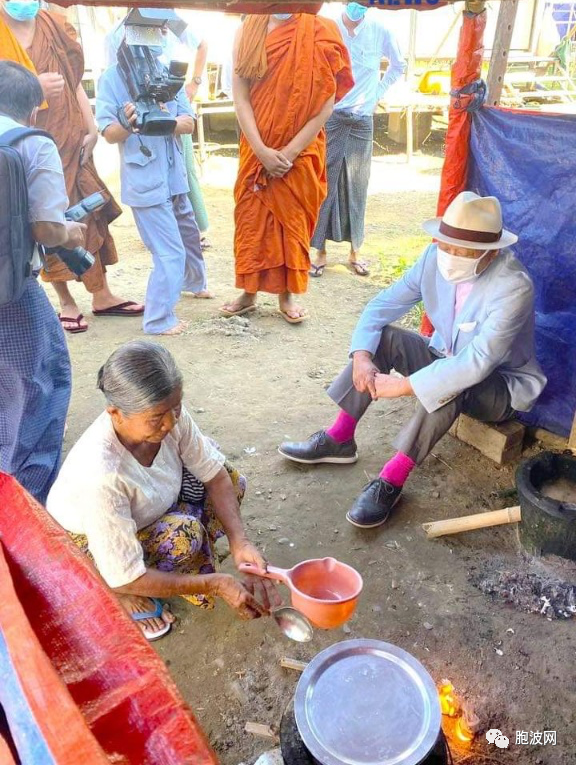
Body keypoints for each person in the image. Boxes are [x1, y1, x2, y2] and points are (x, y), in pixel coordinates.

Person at [279, 192, 546, 528]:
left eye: (459, 250)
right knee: (386, 337)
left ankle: (392, 478)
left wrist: (404, 386)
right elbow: (381, 307)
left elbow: (476, 362)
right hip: (443, 356)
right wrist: (362, 356)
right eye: (444, 244)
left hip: (498, 387)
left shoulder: (512, 287)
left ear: (489, 252)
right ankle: (340, 437)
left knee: (455, 380)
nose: (447, 254)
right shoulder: (434, 258)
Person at [47, 341, 280, 640]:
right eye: (157, 418)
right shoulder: (102, 475)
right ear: (116, 413)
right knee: (182, 536)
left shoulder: (166, 411)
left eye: (176, 407)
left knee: (231, 479)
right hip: (91, 543)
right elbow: (126, 570)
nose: (170, 423)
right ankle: (114, 592)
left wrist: (240, 542)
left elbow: (217, 477)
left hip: (147, 506)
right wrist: (216, 583)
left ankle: (169, 569)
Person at [0, 0, 142, 334]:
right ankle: (65, 301)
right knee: (41, 217)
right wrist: (35, 84)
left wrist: (91, 126)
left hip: (71, 131)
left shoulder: (53, 23)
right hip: (27, 141)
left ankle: (102, 294)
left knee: (88, 209)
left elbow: (73, 79)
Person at [221, 12, 354, 324]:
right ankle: (248, 291)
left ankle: (287, 294)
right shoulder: (247, 29)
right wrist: (261, 150)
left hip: (302, 149)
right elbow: (240, 97)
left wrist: (292, 151)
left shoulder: (323, 29)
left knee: (293, 218)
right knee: (252, 218)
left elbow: (327, 102)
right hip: (257, 146)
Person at [0, 61, 86, 503]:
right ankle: (24, 505)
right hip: (10, 292)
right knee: (42, 384)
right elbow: (46, 229)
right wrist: (71, 232)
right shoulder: (31, 144)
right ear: (33, 111)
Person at [96, 12, 212, 336]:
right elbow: (108, 132)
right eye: (155, 28)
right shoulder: (112, 78)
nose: (162, 32)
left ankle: (193, 282)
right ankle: (159, 318)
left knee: (189, 234)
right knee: (169, 250)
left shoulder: (165, 74)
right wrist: (131, 124)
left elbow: (188, 122)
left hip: (174, 178)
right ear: (134, 32)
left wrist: (164, 121)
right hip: (146, 180)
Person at [310, 3, 406, 278]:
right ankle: (320, 252)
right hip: (332, 115)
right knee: (325, 181)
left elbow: (399, 65)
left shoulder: (380, 29)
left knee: (358, 184)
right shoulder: (329, 26)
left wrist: (377, 94)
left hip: (362, 118)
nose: (357, 7)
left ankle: (355, 251)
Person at [105, 10, 211, 247]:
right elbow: (112, 78)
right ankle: (163, 233)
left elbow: (201, 43)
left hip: (175, 105)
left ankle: (196, 231)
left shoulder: (172, 19)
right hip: (139, 129)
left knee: (184, 174)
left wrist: (194, 82)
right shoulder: (115, 33)